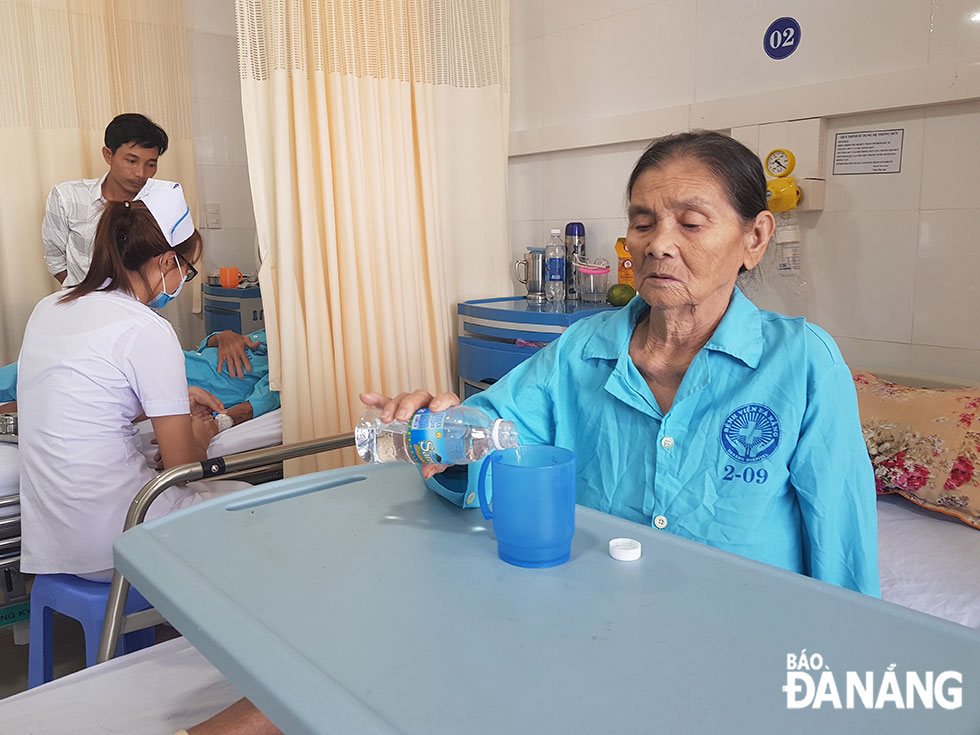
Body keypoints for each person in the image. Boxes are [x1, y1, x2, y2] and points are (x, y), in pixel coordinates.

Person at [364, 130, 880, 597]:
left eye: (692, 223)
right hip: (593, 608)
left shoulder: (803, 363)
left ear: (756, 238)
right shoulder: (581, 350)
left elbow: (840, 535)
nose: (658, 244)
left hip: (745, 631)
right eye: (642, 222)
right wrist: (444, 431)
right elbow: (498, 438)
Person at [18, 182, 240, 583]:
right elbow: (181, 468)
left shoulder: (49, 308)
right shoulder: (146, 329)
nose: (182, 283)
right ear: (168, 262)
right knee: (249, 503)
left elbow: (87, 392)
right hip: (118, 540)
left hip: (53, 541)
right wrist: (201, 434)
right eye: (187, 271)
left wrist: (170, 399)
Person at [42, 113, 173, 286]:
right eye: (132, 161)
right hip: (81, 305)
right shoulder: (67, 196)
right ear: (108, 155)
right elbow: (54, 257)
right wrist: (80, 293)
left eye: (150, 164)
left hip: (136, 308)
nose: (141, 173)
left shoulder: (160, 204)